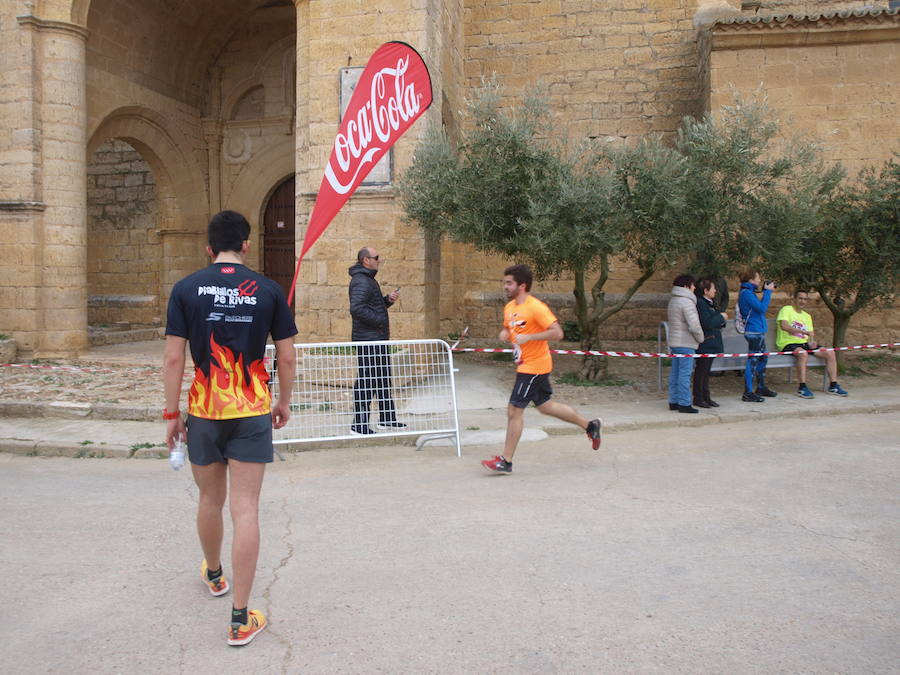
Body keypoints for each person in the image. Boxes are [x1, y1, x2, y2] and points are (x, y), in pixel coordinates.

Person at [163, 210, 297, 647]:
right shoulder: (270, 290)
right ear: (246, 245)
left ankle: (215, 575)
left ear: (208, 248)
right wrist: (283, 403)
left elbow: (172, 359)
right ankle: (241, 619)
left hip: (204, 409)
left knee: (209, 499)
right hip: (252, 410)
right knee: (246, 509)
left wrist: (170, 415)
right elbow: (289, 358)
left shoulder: (185, 290)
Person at [481, 264, 601, 473]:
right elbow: (511, 327)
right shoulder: (510, 307)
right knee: (546, 406)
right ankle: (590, 426)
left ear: (522, 285)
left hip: (534, 366)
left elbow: (557, 333)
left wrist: (530, 337)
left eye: (509, 283)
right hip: (526, 365)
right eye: (504, 282)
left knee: (514, 410)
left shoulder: (536, 307)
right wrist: (505, 333)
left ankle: (506, 461)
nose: (505, 286)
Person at [348, 246, 406, 434]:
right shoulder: (362, 281)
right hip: (368, 340)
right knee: (367, 381)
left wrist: (387, 300)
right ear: (366, 260)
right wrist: (380, 320)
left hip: (376, 338)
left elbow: (371, 306)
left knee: (382, 379)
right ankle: (359, 425)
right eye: (376, 257)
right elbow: (357, 308)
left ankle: (387, 418)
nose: (379, 260)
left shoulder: (368, 280)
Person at [775, 289, 848, 399]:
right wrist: (803, 332)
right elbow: (784, 326)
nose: (802, 301)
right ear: (794, 299)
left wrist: (812, 342)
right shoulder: (786, 310)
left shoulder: (807, 316)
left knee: (830, 352)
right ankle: (802, 387)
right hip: (787, 343)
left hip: (804, 343)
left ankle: (833, 386)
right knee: (803, 354)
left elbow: (810, 336)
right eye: (800, 298)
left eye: (805, 299)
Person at [666, 274, 705, 413]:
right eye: (693, 285)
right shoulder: (687, 302)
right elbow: (694, 325)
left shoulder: (674, 300)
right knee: (685, 374)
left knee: (675, 372)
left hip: (675, 342)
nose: (694, 288)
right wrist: (701, 338)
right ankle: (684, 403)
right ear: (686, 286)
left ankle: (674, 401)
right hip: (686, 343)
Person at [738, 269, 777, 402]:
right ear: (751, 280)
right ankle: (748, 392)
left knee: (762, 358)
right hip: (753, 332)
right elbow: (761, 309)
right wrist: (767, 292)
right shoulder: (746, 294)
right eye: (758, 278)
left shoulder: (749, 293)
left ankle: (760, 386)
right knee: (752, 361)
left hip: (758, 330)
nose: (760, 280)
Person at [693, 277, 728, 408]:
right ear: (706, 290)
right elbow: (707, 322)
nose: (715, 290)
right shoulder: (701, 304)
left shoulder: (710, 303)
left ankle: (706, 396)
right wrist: (721, 317)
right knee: (701, 371)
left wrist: (720, 319)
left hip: (712, 341)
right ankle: (699, 397)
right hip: (706, 342)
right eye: (713, 288)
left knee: (706, 371)